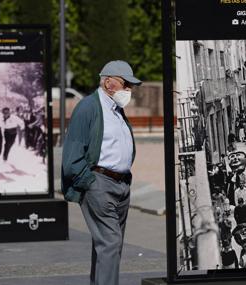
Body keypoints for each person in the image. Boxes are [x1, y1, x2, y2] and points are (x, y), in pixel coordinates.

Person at [61, 60, 141, 285]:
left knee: (108, 246)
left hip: (121, 185)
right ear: (108, 82)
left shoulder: (116, 109)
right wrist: (90, 182)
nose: (129, 90)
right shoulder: (88, 107)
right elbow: (72, 156)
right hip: (100, 183)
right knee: (110, 243)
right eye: (125, 84)